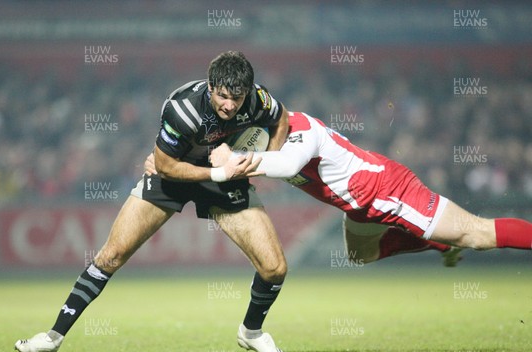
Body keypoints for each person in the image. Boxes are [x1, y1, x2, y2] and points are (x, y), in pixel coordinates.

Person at [15, 51, 290, 352]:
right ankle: (53, 336)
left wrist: (268, 161)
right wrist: (219, 172)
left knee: (275, 268)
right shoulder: (183, 109)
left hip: (224, 179)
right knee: (112, 255)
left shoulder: (257, 99)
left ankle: (251, 332)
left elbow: (282, 120)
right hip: (175, 173)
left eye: (237, 99)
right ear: (211, 87)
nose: (230, 105)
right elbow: (165, 165)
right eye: (224, 96)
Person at [208, 111, 532, 265]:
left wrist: (233, 161)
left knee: (476, 234)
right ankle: (440, 245)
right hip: (360, 204)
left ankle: (449, 241)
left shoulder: (300, 130)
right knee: (360, 254)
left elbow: (290, 166)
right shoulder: (259, 138)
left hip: (386, 190)